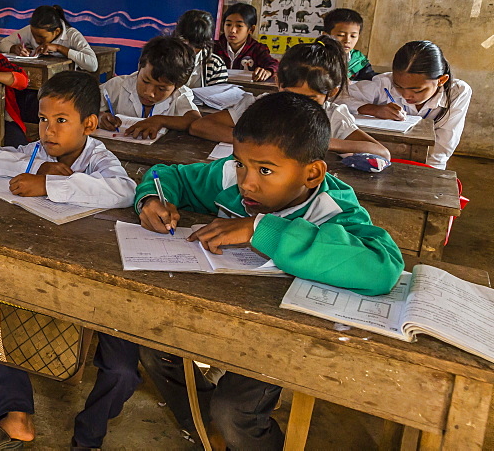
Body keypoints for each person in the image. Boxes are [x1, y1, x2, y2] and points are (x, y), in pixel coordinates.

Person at [137, 92, 404, 449]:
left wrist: (261, 230)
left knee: (234, 409)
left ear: (312, 174)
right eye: (241, 163)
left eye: (265, 170)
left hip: (279, 334)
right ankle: (207, 430)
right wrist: (153, 199)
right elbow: (165, 174)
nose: (247, 182)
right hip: (221, 309)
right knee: (153, 346)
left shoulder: (333, 209)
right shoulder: (231, 179)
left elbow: (382, 268)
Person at [0, 71, 137, 451]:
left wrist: (53, 184)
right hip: (39, 273)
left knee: (123, 369)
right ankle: (15, 414)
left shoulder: (99, 159)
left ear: (89, 124)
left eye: (61, 121)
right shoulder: (36, 153)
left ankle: (89, 434)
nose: (48, 131)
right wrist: (32, 170)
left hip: (95, 281)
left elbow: (124, 192)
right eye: (42, 119)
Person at [191, 37, 390, 158]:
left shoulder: (334, 116)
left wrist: (322, 142)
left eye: (311, 99)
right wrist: (259, 141)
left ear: (332, 93)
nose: (298, 106)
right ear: (278, 84)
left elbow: (382, 152)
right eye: (291, 95)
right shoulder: (261, 107)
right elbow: (199, 126)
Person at [341, 40, 471, 169]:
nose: (406, 95)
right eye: (398, 86)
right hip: (380, 159)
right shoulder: (384, 83)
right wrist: (373, 109)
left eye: (417, 90)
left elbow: (443, 146)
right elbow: (338, 98)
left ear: (441, 80)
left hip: (425, 164)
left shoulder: (457, 93)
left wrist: (427, 173)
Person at [98, 36, 200, 138]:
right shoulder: (118, 85)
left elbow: (194, 120)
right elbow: (83, 105)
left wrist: (160, 120)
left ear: (177, 86)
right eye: (145, 81)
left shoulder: (179, 95)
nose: (149, 93)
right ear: (139, 67)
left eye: (161, 88)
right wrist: (98, 116)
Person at [0, 4, 98, 72]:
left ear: (57, 31)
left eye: (41, 37)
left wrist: (59, 48)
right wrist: (13, 48)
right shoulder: (30, 30)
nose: (37, 40)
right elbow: (3, 43)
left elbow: (93, 65)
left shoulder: (71, 35)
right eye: (34, 35)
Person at [213, 3, 277, 81]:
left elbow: (274, 64)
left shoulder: (257, 49)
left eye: (239, 26)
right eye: (228, 24)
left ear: (251, 29)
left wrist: (268, 71)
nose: (232, 30)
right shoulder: (214, 47)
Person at [173, 9, 228, 88]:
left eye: (196, 44)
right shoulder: (164, 58)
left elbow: (217, 97)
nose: (190, 48)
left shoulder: (215, 64)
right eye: (184, 41)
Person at [323, 8, 376, 81]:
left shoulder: (359, 61)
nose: (347, 40)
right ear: (326, 35)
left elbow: (370, 83)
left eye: (353, 36)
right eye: (341, 35)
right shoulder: (313, 58)